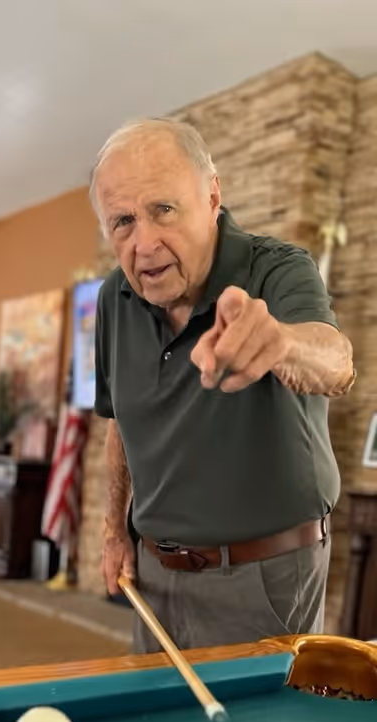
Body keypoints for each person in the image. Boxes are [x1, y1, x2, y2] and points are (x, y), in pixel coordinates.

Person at [91, 118, 355, 652]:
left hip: (266, 575)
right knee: (161, 706)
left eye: (164, 209)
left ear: (212, 196)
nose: (144, 243)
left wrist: (280, 342)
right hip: (154, 573)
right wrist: (115, 531)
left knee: (260, 712)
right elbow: (121, 422)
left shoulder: (279, 268)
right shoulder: (113, 298)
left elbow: (336, 363)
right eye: (123, 221)